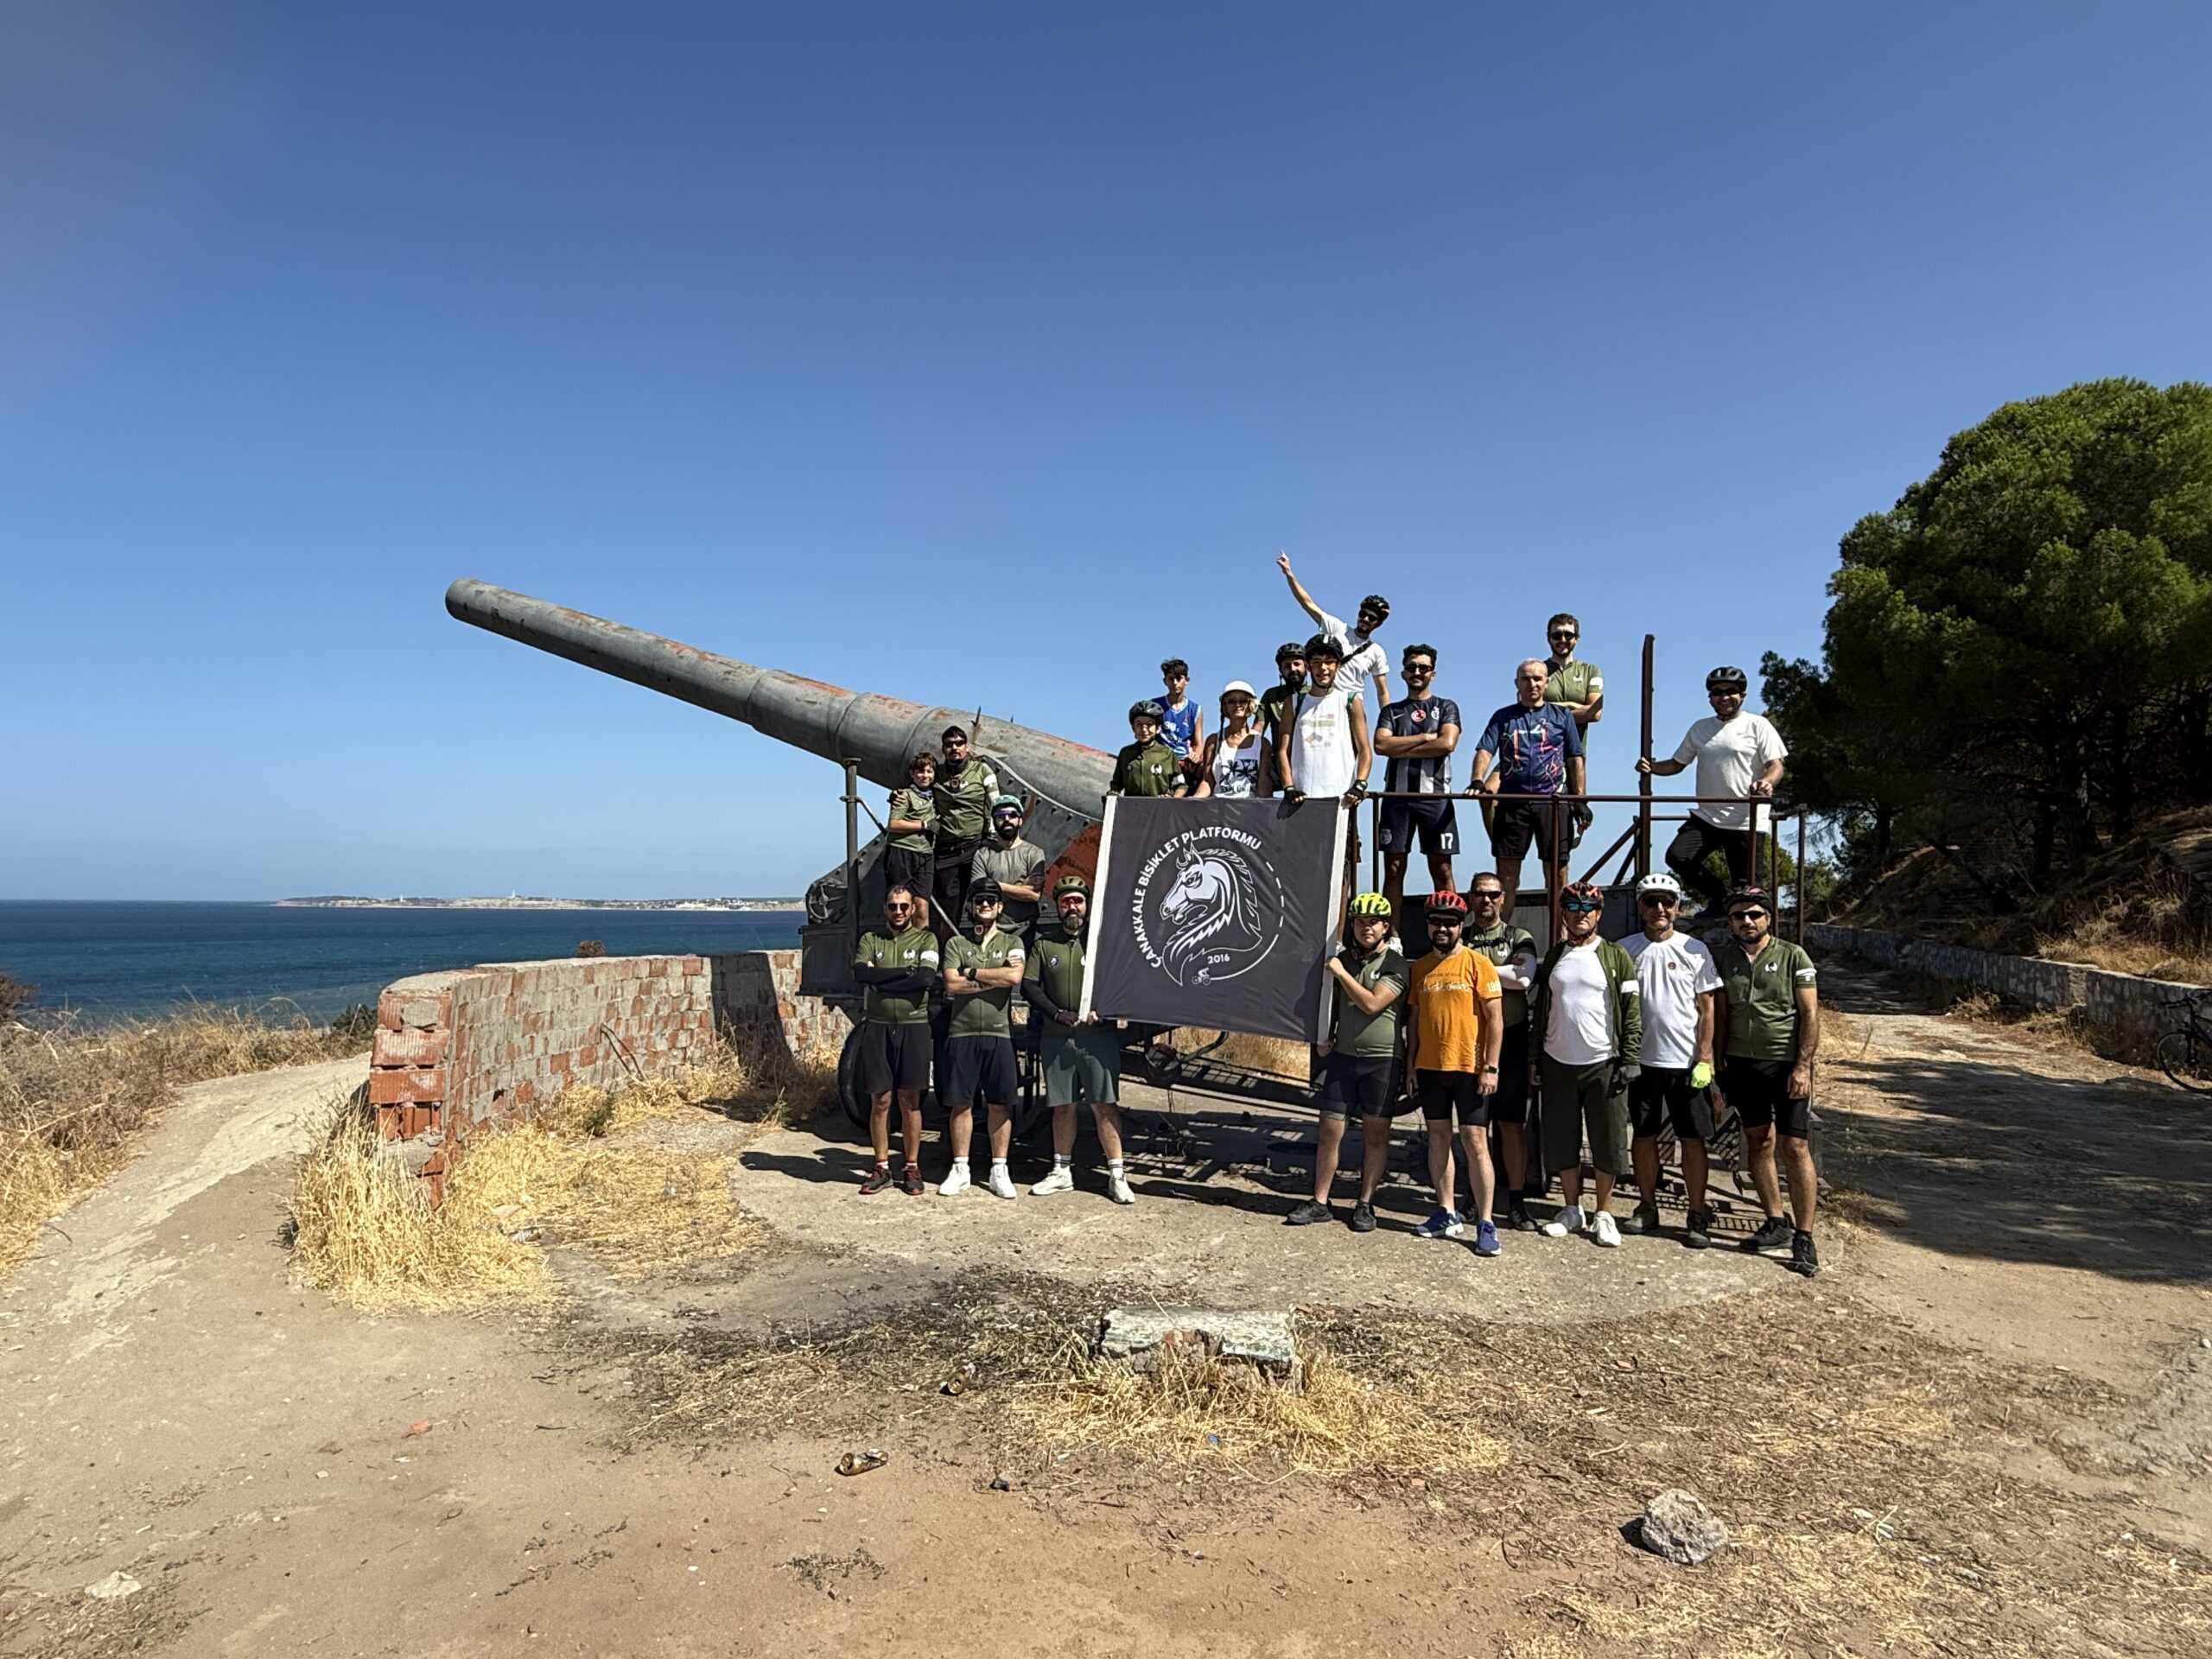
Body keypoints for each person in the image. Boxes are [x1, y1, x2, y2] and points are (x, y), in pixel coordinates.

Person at [1712, 885, 1821, 1276]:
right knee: (1758, 1140)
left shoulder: (1793, 955)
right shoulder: (1723, 958)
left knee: (1795, 1146)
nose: (1747, 921)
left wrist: (1803, 1066)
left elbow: (1810, 1015)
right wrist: (1718, 1067)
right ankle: (1776, 1221)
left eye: (1755, 914)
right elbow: (1719, 1014)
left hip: (1785, 1064)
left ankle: (1805, 1235)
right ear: (1730, 922)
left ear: (1768, 918)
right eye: (1739, 915)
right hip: (1741, 1064)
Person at [1286, 892, 1408, 1232]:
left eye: (1373, 922)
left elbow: (1372, 1004)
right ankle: (1320, 1201)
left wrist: (1341, 973)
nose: (1365, 928)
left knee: (1376, 1135)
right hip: (1344, 1057)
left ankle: (1365, 1204)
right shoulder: (1344, 959)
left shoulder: (1395, 964)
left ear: (1385, 927)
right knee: (1329, 1130)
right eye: (1359, 922)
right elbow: (1329, 1003)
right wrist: (1324, 1034)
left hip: (1382, 1060)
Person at [1530, 881, 1640, 1245]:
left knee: (1608, 1139)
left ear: (1599, 913)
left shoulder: (1616, 956)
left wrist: (1630, 1058)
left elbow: (1632, 1011)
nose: (1581, 914)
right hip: (1558, 1060)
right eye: (1573, 907)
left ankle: (1604, 1213)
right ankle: (1571, 1209)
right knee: (1562, 1137)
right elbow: (1542, 1010)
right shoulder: (1555, 956)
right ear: (1563, 913)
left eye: (1588, 908)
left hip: (1603, 1062)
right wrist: (1535, 1058)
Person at [1620, 871, 1722, 1247]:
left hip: (1685, 1062)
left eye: (1667, 902)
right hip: (1642, 1062)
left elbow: (1707, 1008)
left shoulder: (1695, 950)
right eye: (1651, 901)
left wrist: (1705, 1058)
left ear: (1677, 907)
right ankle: (1647, 1206)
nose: (1659, 908)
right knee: (1643, 1136)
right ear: (1640, 906)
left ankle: (1696, 1213)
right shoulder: (1625, 949)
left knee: (1692, 1139)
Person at [1636, 666, 1788, 917]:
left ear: (1742, 695)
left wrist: (1766, 782)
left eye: (1731, 691)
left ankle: (1748, 927)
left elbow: (1776, 765)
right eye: (1717, 692)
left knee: (1747, 886)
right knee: (1678, 857)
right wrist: (1651, 767)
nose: (1724, 697)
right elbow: (1677, 764)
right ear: (1710, 698)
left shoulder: (1758, 725)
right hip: (1708, 816)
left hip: (1746, 818)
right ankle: (1719, 898)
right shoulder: (1700, 728)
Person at [1020, 874, 1135, 1204]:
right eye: (1066, 902)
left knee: (1104, 1105)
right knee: (1062, 1107)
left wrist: (1106, 1011)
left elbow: (1122, 980)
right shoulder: (1045, 944)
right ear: (1058, 907)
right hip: (1058, 1038)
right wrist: (1056, 1014)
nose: (1072, 907)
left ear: (1087, 905)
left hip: (1097, 1038)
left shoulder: (1101, 943)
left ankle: (1117, 1174)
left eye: (1078, 901)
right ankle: (1061, 1171)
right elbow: (1030, 986)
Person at [1404, 891, 1504, 1256]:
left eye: (1450, 922)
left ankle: (1486, 1221)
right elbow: (1414, 1021)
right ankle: (1446, 1211)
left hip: (1470, 1068)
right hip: (1431, 1067)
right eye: (1436, 922)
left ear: (1462, 926)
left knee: (1476, 1142)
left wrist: (1491, 1067)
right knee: (1438, 1138)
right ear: (1428, 925)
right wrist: (1411, 1065)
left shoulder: (1478, 963)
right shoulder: (1420, 967)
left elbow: (1495, 1020)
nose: (1442, 928)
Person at [1467, 660, 1585, 910]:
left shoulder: (1562, 716)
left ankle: (1559, 932)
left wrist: (1580, 800)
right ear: (1517, 683)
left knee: (1558, 875)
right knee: (1506, 875)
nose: (1532, 684)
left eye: (1537, 678)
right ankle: (1500, 931)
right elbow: (1485, 750)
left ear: (1547, 682)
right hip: (1512, 803)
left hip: (1552, 802)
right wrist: (1477, 779)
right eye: (1526, 678)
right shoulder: (1503, 716)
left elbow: (1575, 758)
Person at [1461, 874, 1543, 1230]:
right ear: (1471, 897)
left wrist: (1474, 968)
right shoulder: (1461, 935)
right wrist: (1500, 972)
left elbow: (1523, 979)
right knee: (1473, 1126)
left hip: (1510, 1039)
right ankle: (1472, 1198)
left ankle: (1516, 1202)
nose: (1487, 900)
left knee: (1511, 1125)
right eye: (1480, 894)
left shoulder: (1518, 936)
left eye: (1493, 894)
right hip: (1469, 1041)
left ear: (1503, 897)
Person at [938, 879, 1027, 1199]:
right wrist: (993, 979)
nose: (985, 905)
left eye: (991, 900)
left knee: (1000, 1104)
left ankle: (999, 1169)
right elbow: (951, 984)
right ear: (971, 906)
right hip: (961, 1033)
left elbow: (1014, 976)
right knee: (960, 1103)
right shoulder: (956, 944)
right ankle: (960, 1168)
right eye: (979, 901)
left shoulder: (1012, 942)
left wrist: (972, 972)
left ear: (1000, 907)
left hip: (998, 1033)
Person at [850, 887, 941, 1195]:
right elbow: (861, 973)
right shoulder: (870, 940)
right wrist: (905, 974)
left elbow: (925, 979)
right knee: (881, 1099)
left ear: (913, 909)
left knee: (910, 1100)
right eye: (893, 906)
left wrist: (882, 981)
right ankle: (881, 1166)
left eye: (904, 906)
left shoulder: (926, 940)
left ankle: (911, 1166)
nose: (898, 912)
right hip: (878, 1026)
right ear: (885, 909)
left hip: (914, 1026)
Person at [1373, 644, 1461, 928]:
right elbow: (1380, 745)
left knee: (1442, 868)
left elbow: (1446, 743)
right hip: (1396, 799)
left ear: (1433, 673)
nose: (1417, 672)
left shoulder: (1446, 706)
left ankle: (1450, 928)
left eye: (1424, 667)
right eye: (1412, 667)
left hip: (1436, 799)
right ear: (1403, 673)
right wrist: (1424, 738)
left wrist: (1400, 748)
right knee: (1394, 868)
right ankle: (1393, 936)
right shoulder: (1392, 711)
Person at [1275, 551, 1390, 709]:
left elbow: (1382, 691)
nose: (1365, 619)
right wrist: (1288, 572)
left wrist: (1387, 719)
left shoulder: (1376, 651)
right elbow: (1307, 603)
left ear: (1378, 624)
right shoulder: (1338, 629)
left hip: (1352, 706)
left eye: (1372, 618)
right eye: (1363, 614)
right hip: (1325, 702)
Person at [931, 725, 1002, 938]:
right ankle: (948, 951)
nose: (955, 748)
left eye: (959, 743)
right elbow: (919, 788)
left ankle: (983, 947)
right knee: (949, 906)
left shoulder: (982, 771)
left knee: (981, 899)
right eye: (949, 745)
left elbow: (996, 803)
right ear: (943, 749)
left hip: (975, 846)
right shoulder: (936, 773)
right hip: (946, 849)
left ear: (967, 747)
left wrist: (993, 835)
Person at [1541, 614, 1604, 844]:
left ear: (1577, 638)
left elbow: (1594, 713)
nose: (1563, 640)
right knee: (1492, 792)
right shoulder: (1539, 670)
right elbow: (1528, 707)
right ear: (1548, 638)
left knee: (1564, 829)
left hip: (1573, 756)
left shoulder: (1591, 670)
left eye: (1568, 635)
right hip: (1536, 752)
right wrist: (1573, 707)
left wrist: (1549, 708)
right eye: (1557, 635)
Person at [969, 795, 1048, 942]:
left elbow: (1034, 895)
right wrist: (1022, 888)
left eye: (1012, 815)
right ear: (994, 821)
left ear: (1020, 820)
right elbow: (981, 896)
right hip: (992, 931)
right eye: (1000, 816)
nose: (1007, 819)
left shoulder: (1034, 853)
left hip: (1025, 930)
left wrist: (995, 885)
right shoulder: (983, 855)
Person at [884, 752, 938, 915]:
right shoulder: (904, 796)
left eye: (929, 771)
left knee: (922, 906)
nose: (925, 775)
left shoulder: (935, 797)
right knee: (899, 904)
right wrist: (924, 825)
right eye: (920, 772)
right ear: (912, 774)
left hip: (925, 853)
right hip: (902, 852)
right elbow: (893, 824)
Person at [1193, 681, 1265, 799]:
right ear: (1224, 706)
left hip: (1250, 807)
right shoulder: (1213, 741)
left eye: (1243, 701)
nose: (1237, 705)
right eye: (1231, 701)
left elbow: (1264, 782)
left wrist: (1267, 807)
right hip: (1219, 807)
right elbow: (1208, 782)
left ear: (1251, 704)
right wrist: (1192, 801)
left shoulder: (1262, 743)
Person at [1256, 643, 1307, 797]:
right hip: (1280, 761)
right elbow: (1258, 728)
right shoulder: (1271, 695)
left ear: (1306, 666)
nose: (1292, 669)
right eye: (1287, 666)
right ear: (1280, 670)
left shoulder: (1314, 694)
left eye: (1297, 664)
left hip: (1309, 758)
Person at [1111, 701, 1187, 798]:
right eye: (1139, 725)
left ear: (1158, 728)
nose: (1144, 729)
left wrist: (1171, 800)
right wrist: (1114, 793)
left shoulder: (1167, 754)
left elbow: (1181, 785)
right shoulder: (1126, 753)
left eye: (1149, 724)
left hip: (1160, 806)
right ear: (1133, 728)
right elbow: (1116, 785)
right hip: (1132, 806)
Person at [1152, 658, 1205, 785]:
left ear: (1187, 680)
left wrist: (1195, 755)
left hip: (1184, 758)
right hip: (1161, 757)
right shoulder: (1155, 706)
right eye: (1171, 679)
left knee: (1207, 769)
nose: (1175, 683)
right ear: (1165, 681)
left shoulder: (1195, 710)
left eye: (1179, 678)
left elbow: (1198, 743)